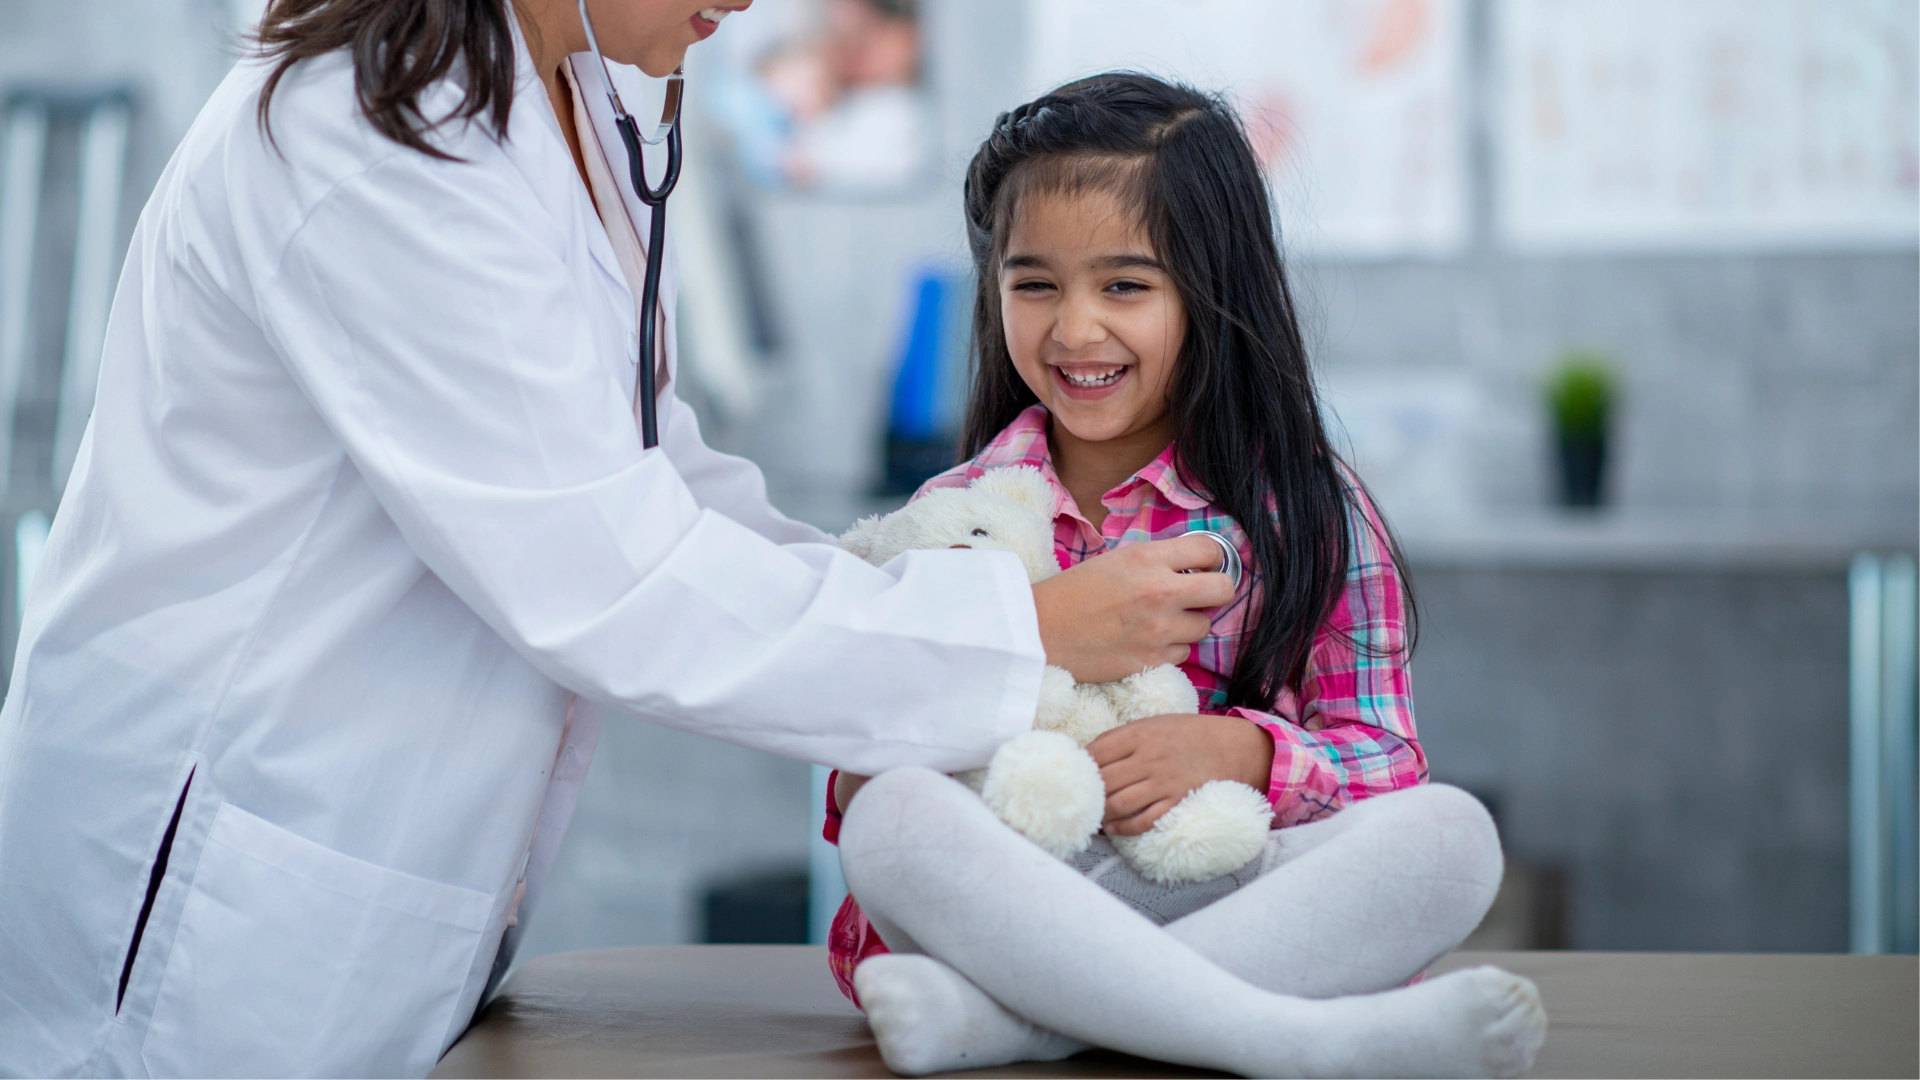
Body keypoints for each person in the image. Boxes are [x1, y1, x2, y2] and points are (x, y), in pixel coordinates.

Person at [0, 4, 1235, 1077]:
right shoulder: (368, 138)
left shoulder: (570, 105)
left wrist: (908, 590)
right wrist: (1020, 632)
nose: (746, 4)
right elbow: (610, 576)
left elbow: (655, 476)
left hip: (351, 868)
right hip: (205, 880)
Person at [826, 74, 1549, 1077]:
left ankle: (1016, 1028)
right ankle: (1289, 1043)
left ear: (1213, 294)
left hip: (1220, 883)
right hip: (1015, 897)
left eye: (1125, 285)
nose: (1075, 330)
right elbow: (856, 775)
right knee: (895, 820)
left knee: (1452, 838)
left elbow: (1384, 757)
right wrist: (927, 716)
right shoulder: (950, 518)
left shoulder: (1308, 510)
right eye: (1034, 283)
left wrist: (1244, 756)